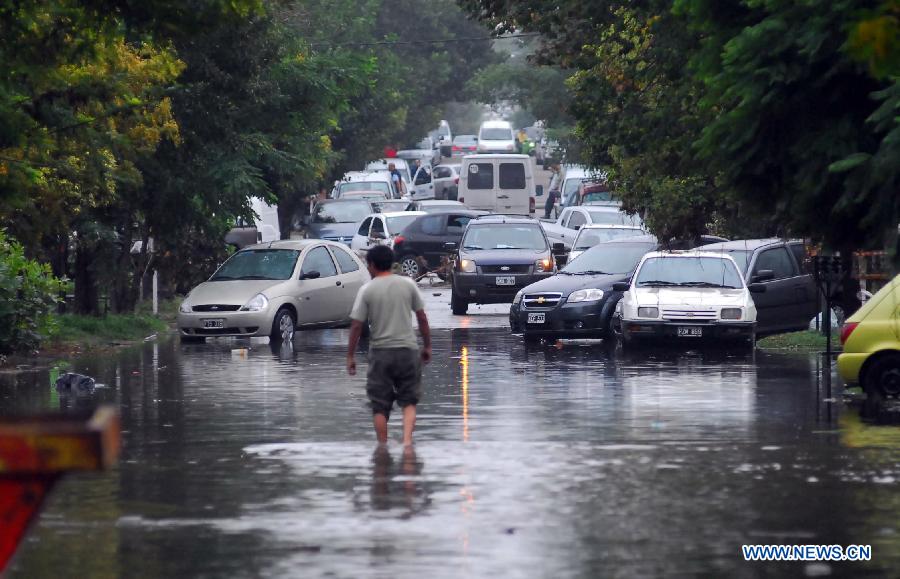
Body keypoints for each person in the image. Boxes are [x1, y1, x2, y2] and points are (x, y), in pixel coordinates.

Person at [347, 245, 432, 446]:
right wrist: (427, 346)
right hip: (408, 351)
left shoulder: (367, 289)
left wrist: (350, 356)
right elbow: (422, 318)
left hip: (380, 354)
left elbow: (356, 325)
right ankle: (407, 443)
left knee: (379, 407)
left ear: (373, 265)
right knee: (409, 401)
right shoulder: (408, 285)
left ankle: (383, 448)